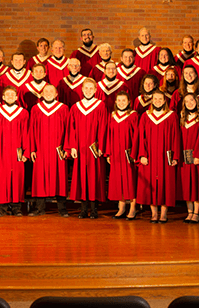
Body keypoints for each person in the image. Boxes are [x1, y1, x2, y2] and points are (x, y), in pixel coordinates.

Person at [136, 90, 181, 222]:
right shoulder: (145, 116)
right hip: (149, 155)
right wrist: (142, 155)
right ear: (151, 100)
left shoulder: (172, 116)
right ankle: (154, 213)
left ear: (165, 100)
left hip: (165, 156)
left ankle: (164, 213)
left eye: (160, 99)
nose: (157, 101)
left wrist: (175, 156)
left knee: (165, 183)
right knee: (151, 184)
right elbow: (141, 137)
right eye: (155, 99)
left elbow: (175, 137)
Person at [66, 78, 108, 219]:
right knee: (81, 177)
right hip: (80, 148)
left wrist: (101, 146)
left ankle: (94, 208)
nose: (88, 91)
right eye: (86, 88)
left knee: (95, 176)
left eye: (91, 88)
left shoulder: (101, 106)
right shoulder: (76, 107)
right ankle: (83, 208)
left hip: (94, 148)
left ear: (96, 90)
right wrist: (72, 146)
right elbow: (71, 129)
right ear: (82, 89)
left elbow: (103, 127)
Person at [29, 85, 70, 217]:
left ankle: (62, 208)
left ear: (56, 93)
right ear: (41, 93)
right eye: (45, 91)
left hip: (58, 149)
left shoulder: (63, 108)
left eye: (51, 91)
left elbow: (68, 130)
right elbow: (31, 130)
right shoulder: (36, 109)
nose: (48, 93)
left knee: (60, 177)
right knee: (39, 178)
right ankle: (39, 208)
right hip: (40, 148)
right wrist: (32, 149)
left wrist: (66, 148)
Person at [0, 86, 29, 216]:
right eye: (7, 94)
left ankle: (16, 206)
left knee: (17, 178)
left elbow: (26, 133)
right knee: (2, 178)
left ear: (17, 97)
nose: (10, 97)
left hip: (17, 150)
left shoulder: (23, 113)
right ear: (2, 97)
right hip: (2, 150)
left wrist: (26, 152)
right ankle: (1, 207)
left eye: (12, 94)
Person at [106, 91, 139, 220]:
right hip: (116, 153)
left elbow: (137, 136)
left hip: (128, 153)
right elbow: (109, 135)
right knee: (118, 180)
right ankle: (121, 208)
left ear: (129, 102)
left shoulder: (133, 115)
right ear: (115, 102)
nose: (121, 103)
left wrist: (135, 152)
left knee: (130, 180)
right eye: (118, 101)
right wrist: (108, 152)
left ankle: (132, 208)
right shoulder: (113, 116)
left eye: (124, 100)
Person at [178, 93, 199, 223]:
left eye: (192, 100)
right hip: (184, 155)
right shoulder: (183, 117)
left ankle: (196, 212)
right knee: (186, 184)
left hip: (196, 155)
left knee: (196, 184)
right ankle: (189, 212)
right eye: (186, 101)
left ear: (197, 101)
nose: (189, 103)